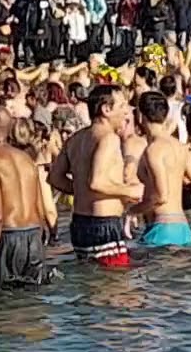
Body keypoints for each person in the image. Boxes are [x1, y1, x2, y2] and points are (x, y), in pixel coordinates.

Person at [47, 84, 142, 267]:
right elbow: (97, 182)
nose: (126, 112)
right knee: (118, 290)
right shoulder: (108, 138)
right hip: (104, 224)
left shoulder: (76, 139)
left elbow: (55, 178)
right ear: (106, 110)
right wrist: (130, 191)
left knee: (93, 285)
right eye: (122, 106)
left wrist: (80, 191)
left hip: (80, 224)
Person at [0, 106, 58, 293]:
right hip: (34, 237)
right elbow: (41, 208)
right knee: (32, 301)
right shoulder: (26, 159)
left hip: (9, 239)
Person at [130, 91, 191, 248]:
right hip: (182, 228)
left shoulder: (154, 150)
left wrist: (131, 211)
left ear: (141, 116)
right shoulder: (180, 147)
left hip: (162, 227)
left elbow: (161, 196)